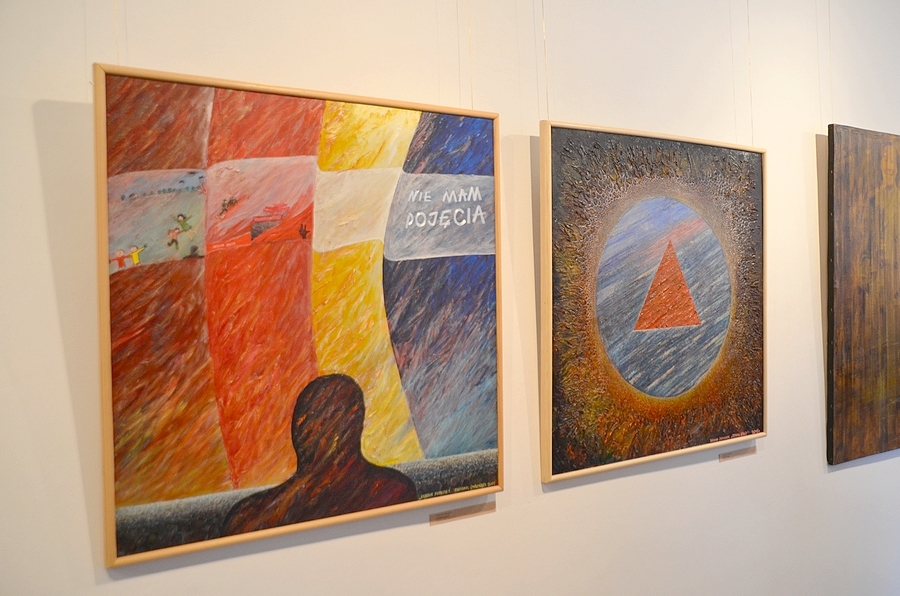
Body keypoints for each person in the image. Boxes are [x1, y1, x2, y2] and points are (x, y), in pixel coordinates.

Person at [221, 374, 417, 535]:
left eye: (316, 422)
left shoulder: (250, 517)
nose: (307, 431)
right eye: (305, 422)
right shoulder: (394, 491)